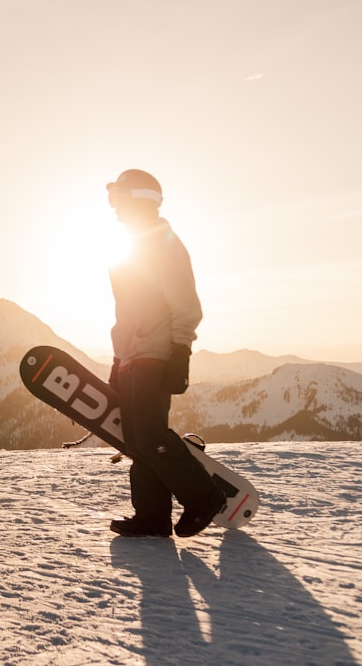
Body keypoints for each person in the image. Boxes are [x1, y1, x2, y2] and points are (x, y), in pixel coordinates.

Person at [105, 169, 225, 538]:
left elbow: (185, 304)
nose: (114, 209)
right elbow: (127, 314)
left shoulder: (163, 244)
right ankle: (153, 517)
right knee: (136, 439)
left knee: (150, 434)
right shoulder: (130, 247)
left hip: (154, 353)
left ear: (137, 199)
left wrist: (179, 350)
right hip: (132, 355)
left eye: (118, 200)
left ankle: (205, 496)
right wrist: (117, 359)